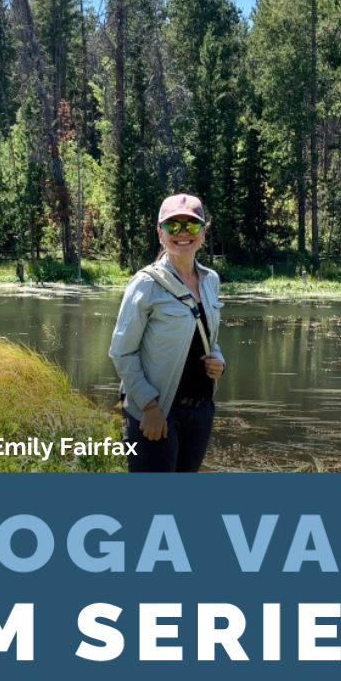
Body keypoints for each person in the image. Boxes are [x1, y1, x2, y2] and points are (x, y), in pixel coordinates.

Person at [109, 194, 226, 473]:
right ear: (160, 232)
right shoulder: (146, 284)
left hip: (200, 411)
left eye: (192, 226)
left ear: (203, 232)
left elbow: (209, 337)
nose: (183, 233)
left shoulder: (211, 280)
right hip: (158, 412)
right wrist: (149, 407)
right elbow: (122, 351)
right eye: (173, 226)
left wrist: (218, 360)